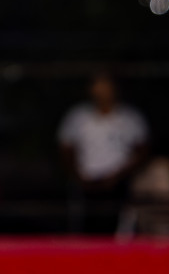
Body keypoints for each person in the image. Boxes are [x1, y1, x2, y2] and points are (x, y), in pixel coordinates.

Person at [57, 72, 149, 233]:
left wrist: (118, 176)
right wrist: (78, 177)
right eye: (97, 86)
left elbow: (142, 152)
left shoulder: (130, 118)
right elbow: (66, 150)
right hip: (86, 183)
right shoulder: (77, 117)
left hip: (119, 183)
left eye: (105, 86)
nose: (101, 91)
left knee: (119, 224)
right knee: (88, 226)